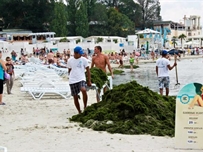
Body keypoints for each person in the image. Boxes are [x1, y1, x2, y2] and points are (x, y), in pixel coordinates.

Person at [67, 46, 91, 114]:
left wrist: (89, 80)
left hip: (81, 78)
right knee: (75, 97)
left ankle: (85, 107)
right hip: (72, 80)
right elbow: (69, 70)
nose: (81, 55)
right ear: (75, 53)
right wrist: (70, 76)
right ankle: (79, 111)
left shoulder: (84, 60)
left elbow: (88, 71)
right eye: (80, 53)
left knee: (83, 90)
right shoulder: (70, 60)